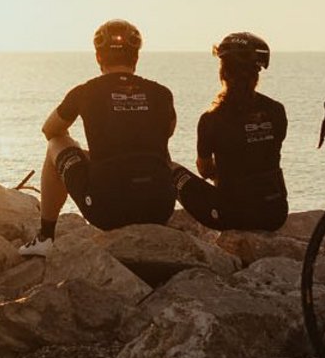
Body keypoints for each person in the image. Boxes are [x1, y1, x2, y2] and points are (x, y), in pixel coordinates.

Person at [22, 19, 178, 253]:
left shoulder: (84, 92)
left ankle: (45, 237)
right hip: (159, 208)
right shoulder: (162, 94)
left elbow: (49, 130)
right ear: (136, 57)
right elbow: (167, 132)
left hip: (107, 209)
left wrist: (81, 154)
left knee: (57, 144)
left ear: (98, 57)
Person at [174, 32, 289, 232]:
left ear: (223, 73)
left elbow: (204, 170)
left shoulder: (211, 120)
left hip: (234, 216)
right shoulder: (276, 110)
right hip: (275, 213)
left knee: (170, 171)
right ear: (256, 74)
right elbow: (267, 153)